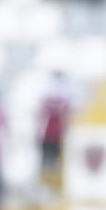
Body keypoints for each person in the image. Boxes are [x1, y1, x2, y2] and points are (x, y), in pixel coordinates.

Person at [37, 71, 71, 199]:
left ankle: (52, 190)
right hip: (50, 135)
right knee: (49, 164)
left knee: (52, 164)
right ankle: (48, 189)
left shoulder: (50, 99)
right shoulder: (61, 99)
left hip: (54, 136)